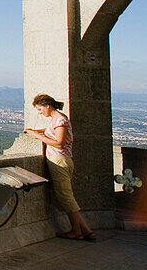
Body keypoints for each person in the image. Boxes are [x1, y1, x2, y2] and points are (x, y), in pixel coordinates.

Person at [23, 94, 95, 241]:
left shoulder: (60, 120)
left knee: (67, 198)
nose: (40, 112)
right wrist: (38, 131)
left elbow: (59, 142)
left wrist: (38, 137)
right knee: (66, 197)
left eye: (40, 109)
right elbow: (54, 132)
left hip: (60, 161)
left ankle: (77, 232)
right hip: (63, 160)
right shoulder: (58, 119)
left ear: (47, 105)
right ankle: (86, 230)